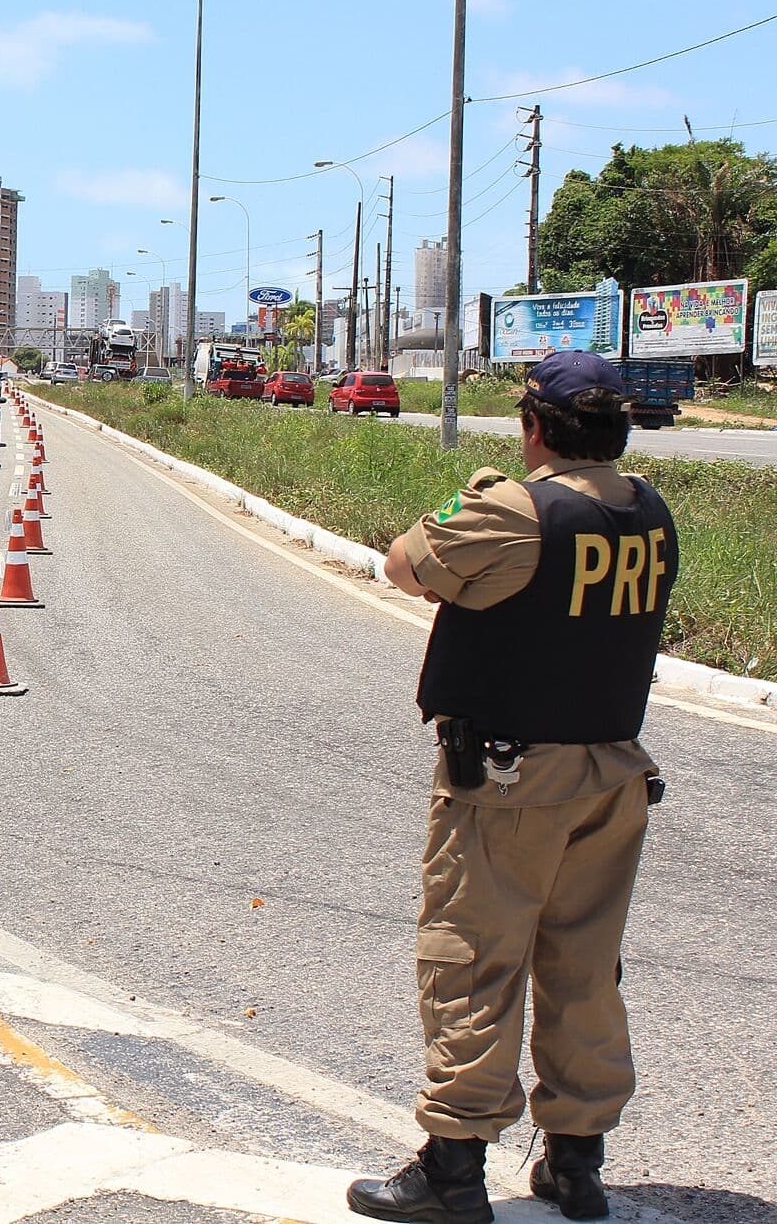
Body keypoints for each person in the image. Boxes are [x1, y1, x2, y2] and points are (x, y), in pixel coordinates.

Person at [347, 352, 678, 1224]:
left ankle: (453, 1167)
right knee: (583, 968)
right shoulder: (648, 511)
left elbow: (404, 565)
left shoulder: (517, 510)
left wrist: (475, 488)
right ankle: (577, 1163)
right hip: (612, 775)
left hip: (510, 778)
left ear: (534, 428)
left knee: (471, 958)